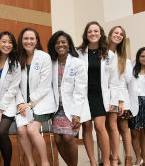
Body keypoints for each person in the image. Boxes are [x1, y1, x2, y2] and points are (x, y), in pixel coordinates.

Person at [77, 21, 120, 166]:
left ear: (100, 34)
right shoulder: (78, 53)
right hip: (84, 96)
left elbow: (114, 81)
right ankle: (93, 162)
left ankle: (106, 161)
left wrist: (114, 101)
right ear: (86, 35)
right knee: (87, 127)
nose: (93, 34)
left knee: (100, 126)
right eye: (90, 31)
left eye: (96, 31)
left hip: (101, 96)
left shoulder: (109, 55)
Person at [47, 31, 90, 166]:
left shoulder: (77, 63)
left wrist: (76, 114)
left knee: (68, 138)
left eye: (63, 42)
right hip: (56, 108)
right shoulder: (51, 62)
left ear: (68, 44)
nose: (60, 45)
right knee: (58, 140)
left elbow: (80, 89)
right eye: (57, 42)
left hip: (72, 108)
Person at [16, 27, 57, 166]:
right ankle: (31, 163)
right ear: (21, 41)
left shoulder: (44, 57)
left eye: (32, 38)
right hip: (23, 104)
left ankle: (45, 163)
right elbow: (14, 85)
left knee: (32, 129)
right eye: (26, 38)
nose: (29, 41)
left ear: (37, 41)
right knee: (21, 130)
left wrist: (31, 103)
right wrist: (21, 103)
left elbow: (45, 86)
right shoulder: (17, 58)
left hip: (41, 102)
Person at [0, 31, 21, 166]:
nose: (7, 45)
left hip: (7, 106)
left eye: (10, 42)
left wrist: (0, 109)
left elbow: (13, 89)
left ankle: (7, 164)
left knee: (1, 131)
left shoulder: (15, 64)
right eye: (4, 41)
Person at [107, 26, 134, 166]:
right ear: (110, 34)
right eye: (116, 32)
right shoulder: (103, 53)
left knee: (123, 128)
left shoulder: (124, 59)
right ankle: (111, 157)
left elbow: (124, 81)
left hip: (121, 99)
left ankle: (128, 158)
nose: (118, 35)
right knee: (109, 128)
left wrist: (121, 100)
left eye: (121, 34)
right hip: (107, 97)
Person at [129, 47, 145, 166]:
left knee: (144, 133)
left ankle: (144, 157)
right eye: (142, 56)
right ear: (138, 57)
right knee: (134, 133)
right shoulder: (132, 70)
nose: (144, 59)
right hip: (135, 102)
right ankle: (138, 157)